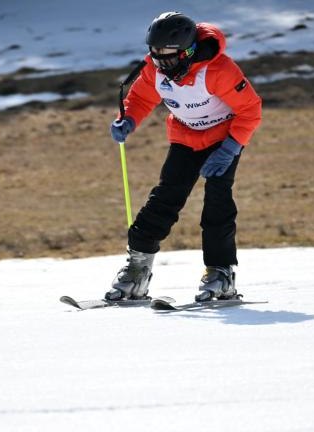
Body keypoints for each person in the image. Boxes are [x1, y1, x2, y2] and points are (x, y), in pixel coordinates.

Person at [106, 12, 262, 302]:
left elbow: (250, 109)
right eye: (155, 56)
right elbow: (139, 99)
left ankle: (221, 273)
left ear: (188, 52)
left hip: (222, 140)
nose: (161, 64)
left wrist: (230, 148)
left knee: (217, 199)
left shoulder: (218, 70)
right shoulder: (155, 69)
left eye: (168, 56)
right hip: (185, 136)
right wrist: (126, 120)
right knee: (165, 197)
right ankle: (137, 270)